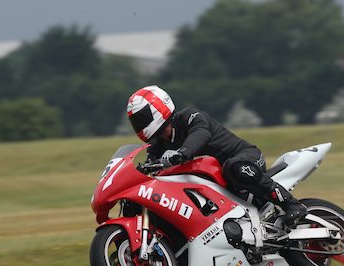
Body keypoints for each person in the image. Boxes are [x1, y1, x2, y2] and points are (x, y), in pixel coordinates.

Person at [127, 85, 307, 226]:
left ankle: (292, 204)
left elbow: (201, 133)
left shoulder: (190, 117)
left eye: (142, 119)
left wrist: (183, 152)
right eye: (136, 122)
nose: (140, 124)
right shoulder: (157, 145)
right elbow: (151, 164)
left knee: (233, 167)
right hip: (215, 186)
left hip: (246, 159)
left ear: (159, 108)